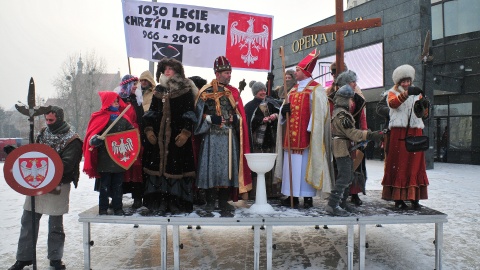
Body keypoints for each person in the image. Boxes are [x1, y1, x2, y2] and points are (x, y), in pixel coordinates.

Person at [8, 106, 83, 270]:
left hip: (58, 184)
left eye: (52, 120)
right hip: (37, 184)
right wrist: (15, 153)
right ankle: (24, 257)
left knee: (55, 224)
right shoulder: (43, 133)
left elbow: (66, 165)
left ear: (60, 119)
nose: (48, 123)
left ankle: (55, 258)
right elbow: (33, 153)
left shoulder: (72, 140)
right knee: (28, 221)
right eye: (47, 120)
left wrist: (47, 173)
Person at [274, 49, 333, 209]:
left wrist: (311, 128)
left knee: (305, 165)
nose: (296, 72)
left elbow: (320, 110)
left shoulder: (316, 89)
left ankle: (307, 197)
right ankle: (290, 194)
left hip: (306, 135)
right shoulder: (292, 90)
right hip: (291, 136)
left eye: (298, 70)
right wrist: (283, 112)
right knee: (290, 167)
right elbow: (284, 109)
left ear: (306, 72)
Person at [194, 56, 252, 211]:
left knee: (228, 169)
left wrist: (235, 118)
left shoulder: (232, 92)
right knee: (211, 168)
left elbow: (241, 117)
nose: (229, 75)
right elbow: (198, 117)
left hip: (228, 137)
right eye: (226, 73)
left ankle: (224, 201)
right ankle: (211, 200)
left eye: (229, 72)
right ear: (217, 74)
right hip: (211, 136)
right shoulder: (205, 92)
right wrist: (210, 118)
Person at [143, 57, 198, 214]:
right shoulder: (158, 91)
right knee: (159, 170)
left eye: (171, 68)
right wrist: (149, 131)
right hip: (159, 141)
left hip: (177, 139)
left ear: (177, 71)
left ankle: (175, 203)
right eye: (165, 68)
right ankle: (160, 203)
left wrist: (185, 134)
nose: (167, 71)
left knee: (175, 170)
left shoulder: (185, 91)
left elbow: (190, 114)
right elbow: (151, 113)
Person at [326, 85, 383, 216]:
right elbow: (351, 133)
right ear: (344, 100)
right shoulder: (341, 114)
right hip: (341, 148)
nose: (352, 102)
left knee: (348, 176)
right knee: (344, 177)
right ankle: (332, 205)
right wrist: (370, 135)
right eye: (350, 99)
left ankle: (342, 203)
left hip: (346, 147)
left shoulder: (341, 112)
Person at [381, 64, 430, 209]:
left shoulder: (418, 93)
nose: (406, 83)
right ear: (398, 82)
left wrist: (425, 105)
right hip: (399, 132)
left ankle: (414, 197)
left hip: (415, 132)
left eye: (408, 81)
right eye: (403, 81)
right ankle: (398, 198)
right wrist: (406, 94)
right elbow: (393, 104)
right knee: (400, 165)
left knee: (415, 165)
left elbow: (423, 114)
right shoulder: (392, 92)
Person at [83, 91, 135, 216]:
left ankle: (118, 208)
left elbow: (132, 134)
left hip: (118, 157)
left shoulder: (123, 118)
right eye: (114, 101)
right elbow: (92, 135)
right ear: (107, 102)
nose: (117, 103)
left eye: (118, 101)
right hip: (105, 158)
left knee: (118, 186)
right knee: (104, 186)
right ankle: (103, 208)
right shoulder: (99, 117)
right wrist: (94, 140)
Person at [333, 69, 368, 206]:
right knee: (343, 171)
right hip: (341, 141)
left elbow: (362, 118)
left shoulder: (359, 100)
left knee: (354, 169)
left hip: (355, 138)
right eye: (353, 82)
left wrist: (364, 132)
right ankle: (337, 201)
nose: (355, 84)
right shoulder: (335, 99)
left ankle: (353, 194)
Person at [244, 80, 280, 198]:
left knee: (270, 166)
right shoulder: (249, 106)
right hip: (257, 142)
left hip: (270, 139)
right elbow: (248, 122)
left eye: (264, 90)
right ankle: (256, 193)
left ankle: (271, 192)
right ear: (255, 92)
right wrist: (260, 120)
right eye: (260, 90)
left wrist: (275, 116)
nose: (263, 92)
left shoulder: (271, 103)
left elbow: (279, 113)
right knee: (258, 167)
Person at [114, 75, 144, 209]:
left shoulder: (137, 101)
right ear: (126, 85)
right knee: (120, 167)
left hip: (134, 137)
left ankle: (137, 198)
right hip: (120, 137)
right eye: (133, 84)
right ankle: (117, 198)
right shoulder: (117, 101)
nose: (136, 86)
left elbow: (141, 119)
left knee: (136, 168)